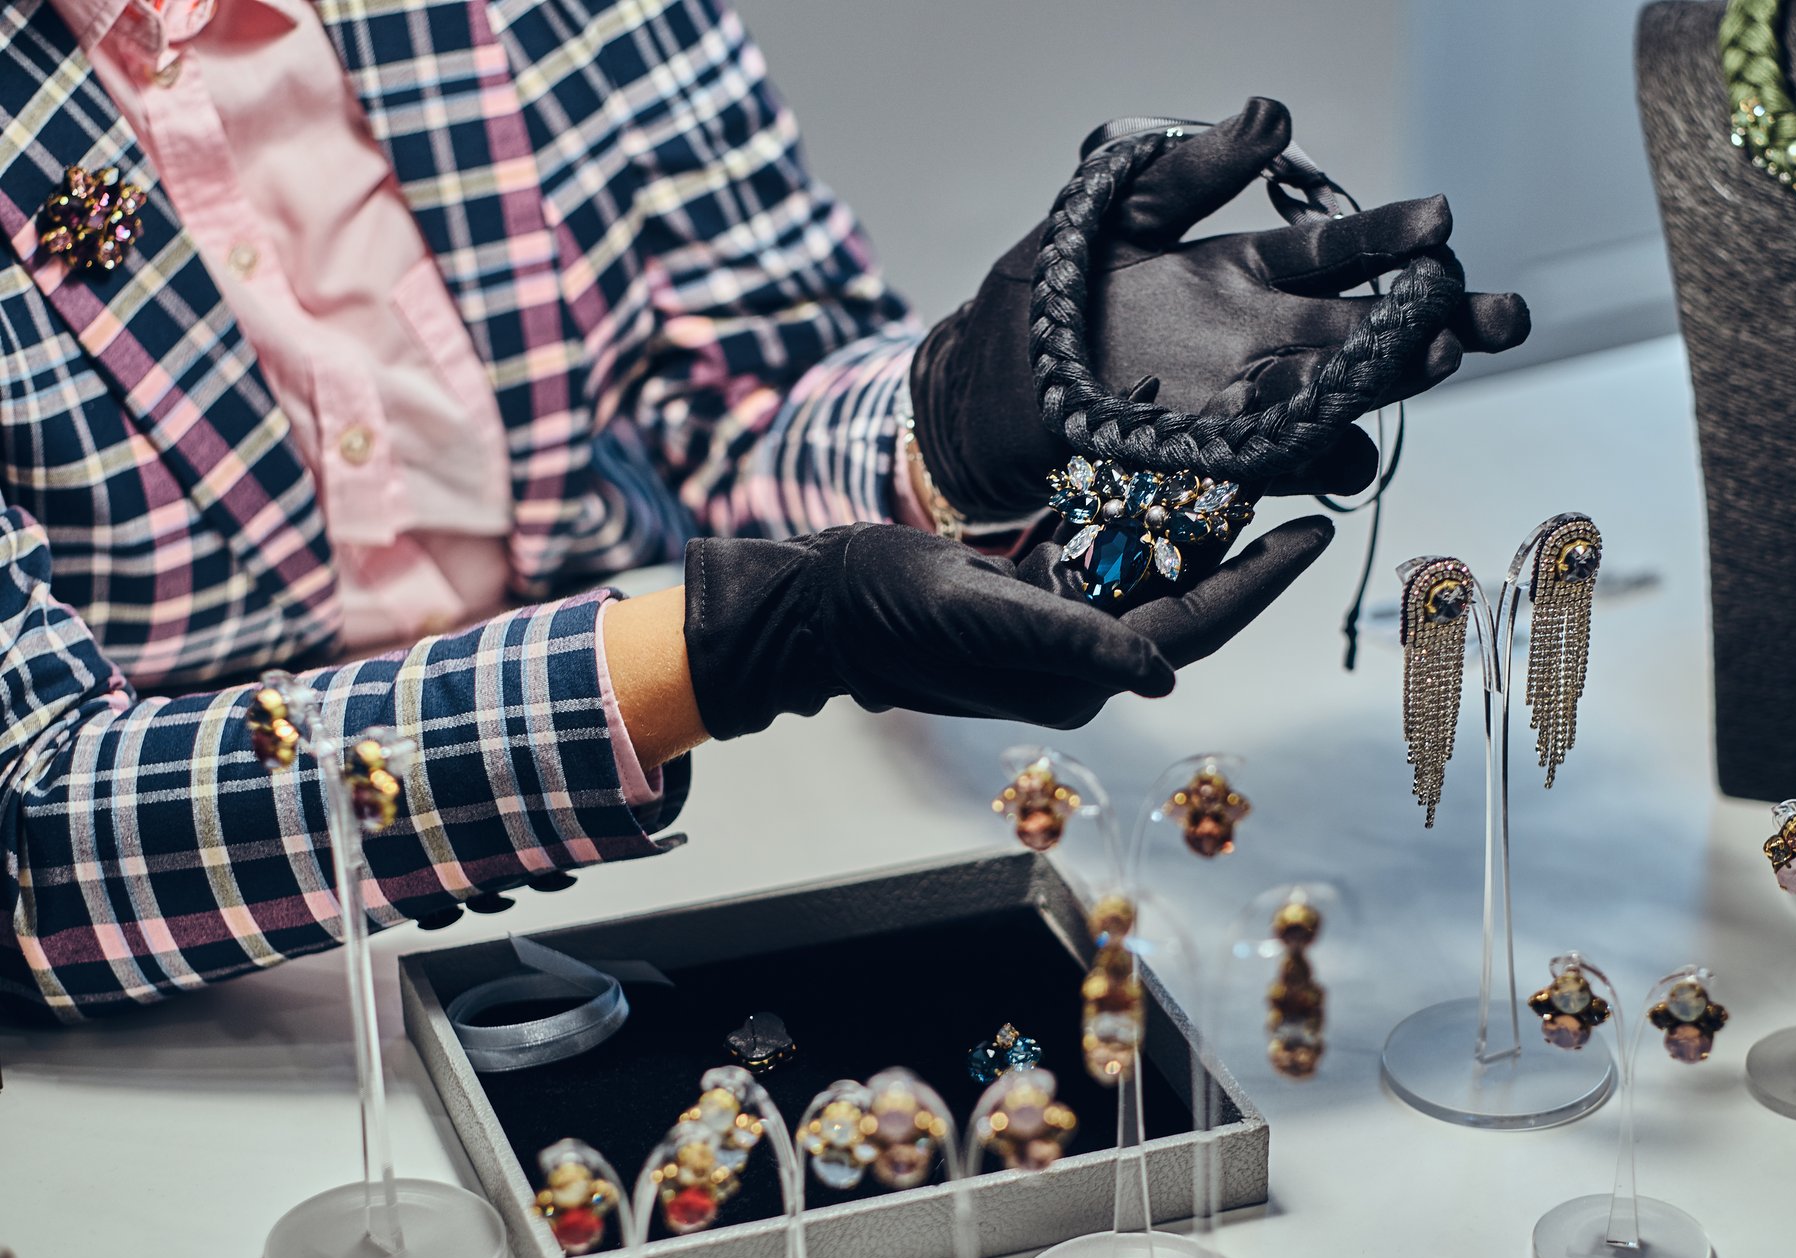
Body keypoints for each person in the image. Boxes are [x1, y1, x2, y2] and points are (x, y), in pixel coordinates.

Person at [0, 0, 1527, 1021]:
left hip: (687, 884)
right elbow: (28, 820)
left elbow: (736, 397)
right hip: (215, 1011)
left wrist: (957, 419)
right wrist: (747, 641)